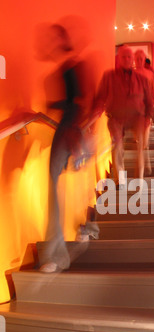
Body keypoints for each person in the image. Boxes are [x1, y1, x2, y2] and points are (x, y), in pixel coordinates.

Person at [37, 23, 97, 273]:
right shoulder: (64, 68)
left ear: (62, 40)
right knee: (55, 183)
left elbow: (82, 102)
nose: (46, 44)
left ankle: (63, 249)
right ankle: (61, 250)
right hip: (69, 129)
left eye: (52, 39)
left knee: (58, 182)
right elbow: (74, 101)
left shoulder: (74, 66)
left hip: (72, 130)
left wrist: (78, 137)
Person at [94, 45, 154, 187]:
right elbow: (100, 98)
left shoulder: (142, 79)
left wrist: (148, 117)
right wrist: (94, 115)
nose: (127, 59)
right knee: (117, 147)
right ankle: (120, 180)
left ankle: (139, 179)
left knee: (140, 146)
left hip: (137, 116)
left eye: (129, 57)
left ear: (132, 59)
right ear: (118, 58)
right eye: (123, 57)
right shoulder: (108, 76)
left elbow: (149, 100)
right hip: (116, 117)